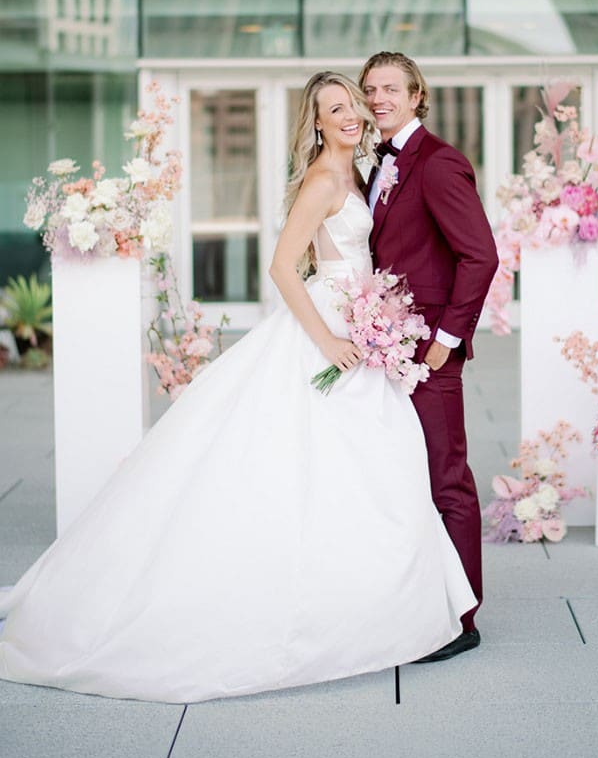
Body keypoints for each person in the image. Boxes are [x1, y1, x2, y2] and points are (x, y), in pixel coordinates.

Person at [0, 71, 475, 704]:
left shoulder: (362, 176)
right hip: (330, 333)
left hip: (361, 329)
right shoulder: (323, 180)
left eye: (355, 105)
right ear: (316, 122)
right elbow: (283, 266)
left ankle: (372, 598)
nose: (353, 115)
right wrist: (330, 341)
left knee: (372, 469)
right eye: (337, 108)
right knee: (302, 465)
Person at [360, 52, 498, 662]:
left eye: (390, 88)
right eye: (369, 90)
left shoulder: (439, 163)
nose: (378, 98)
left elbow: (481, 256)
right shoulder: (377, 165)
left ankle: (462, 619)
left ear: (418, 95)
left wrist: (445, 342)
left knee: (448, 479)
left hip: (428, 354)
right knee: (403, 476)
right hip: (387, 349)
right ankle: (420, 601)